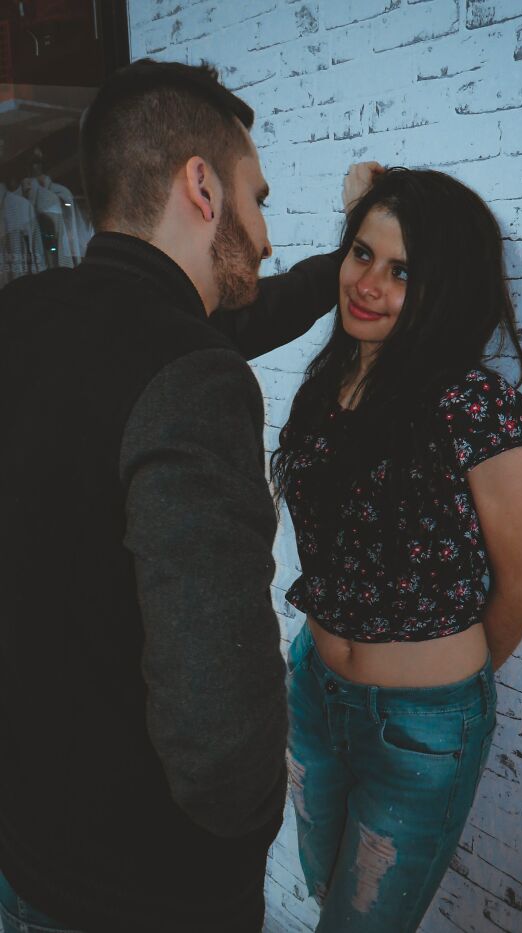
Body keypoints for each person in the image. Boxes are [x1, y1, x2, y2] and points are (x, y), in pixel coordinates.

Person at [0, 58, 350, 933]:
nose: (266, 234)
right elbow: (220, 725)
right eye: (258, 197)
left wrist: (342, 265)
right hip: (145, 893)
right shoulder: (192, 375)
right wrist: (234, 865)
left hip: (23, 846)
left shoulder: (24, 314)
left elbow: (232, 312)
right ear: (202, 186)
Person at [271, 167, 522, 932]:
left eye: (403, 272)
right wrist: (366, 192)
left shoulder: (477, 407)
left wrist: (442, 699)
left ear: (443, 287)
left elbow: (521, 587)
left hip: (421, 731)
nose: (369, 284)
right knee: (326, 891)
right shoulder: (334, 379)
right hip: (312, 691)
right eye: (361, 254)